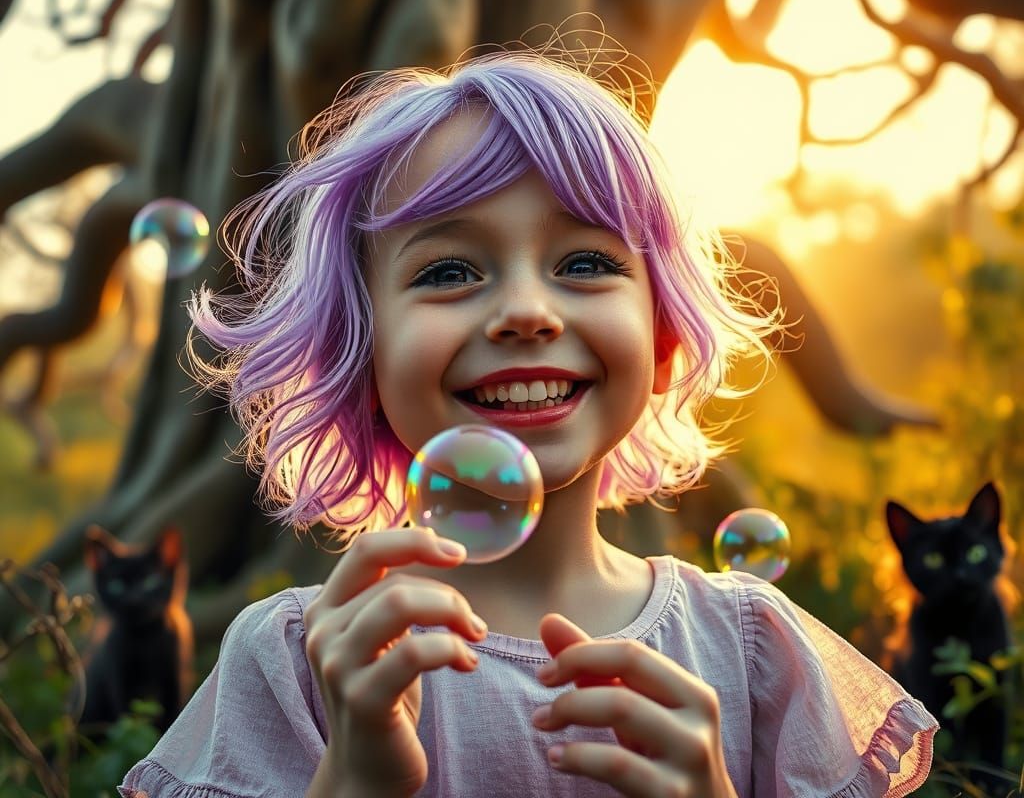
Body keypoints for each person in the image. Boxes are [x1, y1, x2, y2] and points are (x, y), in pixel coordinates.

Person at [119, 45, 938, 798]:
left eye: (586, 262)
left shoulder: (755, 647)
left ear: (661, 340)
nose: (525, 311)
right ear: (362, 355)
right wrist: (354, 780)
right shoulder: (299, 660)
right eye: (447, 270)